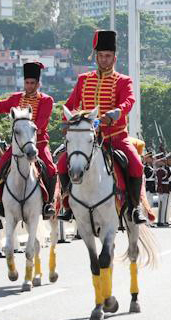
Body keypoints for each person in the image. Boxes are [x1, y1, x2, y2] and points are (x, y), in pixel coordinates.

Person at [58, 30, 147, 224]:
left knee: (136, 165)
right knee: (62, 162)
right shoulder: (83, 79)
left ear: (114, 58)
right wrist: (66, 121)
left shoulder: (123, 81)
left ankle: (135, 206)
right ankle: (67, 204)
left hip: (115, 136)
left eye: (107, 56)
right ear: (95, 56)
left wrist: (117, 112)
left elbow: (129, 100)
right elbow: (71, 104)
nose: (103, 60)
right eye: (100, 56)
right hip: (88, 139)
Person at [0, 61, 56, 217]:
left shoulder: (46, 100)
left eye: (32, 83)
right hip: (17, 145)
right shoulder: (16, 98)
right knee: (0, 167)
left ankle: (48, 204)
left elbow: (41, 122)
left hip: (38, 143)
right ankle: (2, 203)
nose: (29, 86)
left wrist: (27, 134)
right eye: (27, 83)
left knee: (51, 169)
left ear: (38, 83)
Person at [155, 153, 171, 227]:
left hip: (166, 189)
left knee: (164, 206)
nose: (164, 161)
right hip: (162, 189)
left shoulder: (164, 169)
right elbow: (159, 182)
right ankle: (160, 221)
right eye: (162, 160)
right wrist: (160, 189)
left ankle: (163, 220)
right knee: (161, 206)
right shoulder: (160, 170)